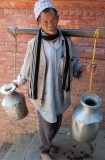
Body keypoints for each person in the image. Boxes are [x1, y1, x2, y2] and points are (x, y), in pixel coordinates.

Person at [13, 0, 97, 160]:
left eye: (53, 20)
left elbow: (74, 64)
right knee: (46, 125)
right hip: (42, 93)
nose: (50, 24)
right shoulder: (33, 45)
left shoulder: (66, 42)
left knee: (57, 122)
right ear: (38, 22)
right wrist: (18, 82)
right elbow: (26, 67)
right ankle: (44, 150)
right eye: (45, 21)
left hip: (59, 92)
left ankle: (49, 142)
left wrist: (86, 68)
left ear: (58, 19)